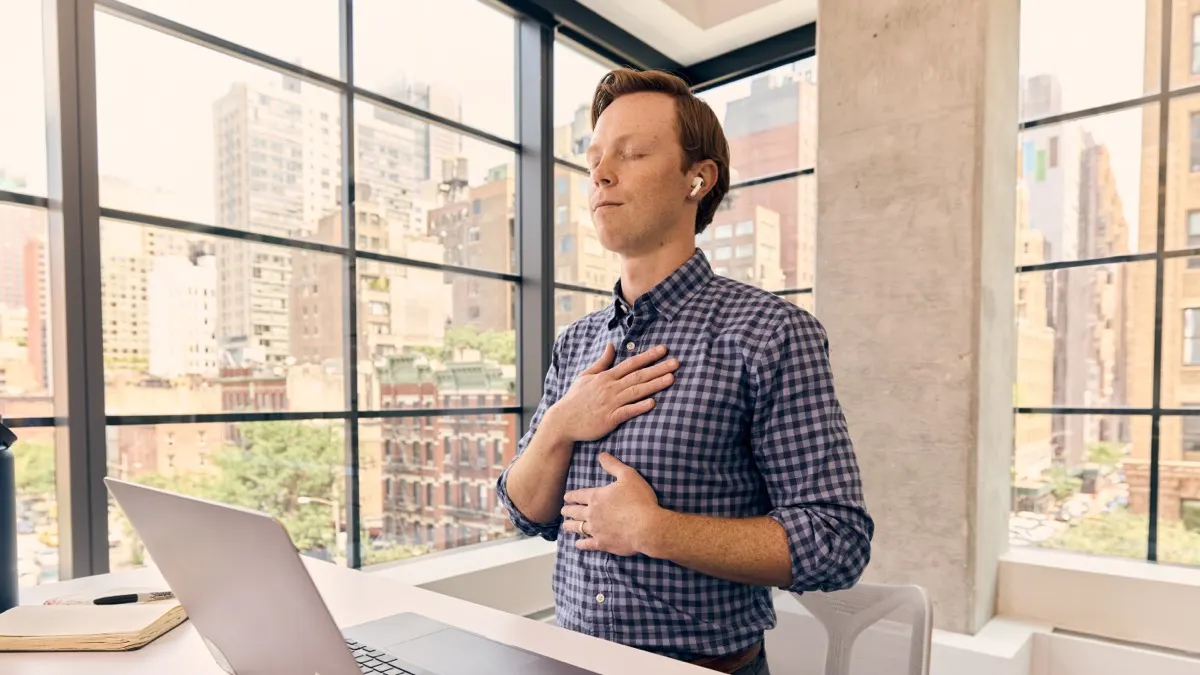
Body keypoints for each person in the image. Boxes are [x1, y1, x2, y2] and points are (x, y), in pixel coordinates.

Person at [496, 68, 873, 675]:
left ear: (698, 178)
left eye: (633, 152)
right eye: (594, 158)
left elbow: (836, 540)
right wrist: (561, 424)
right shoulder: (577, 343)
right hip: (568, 659)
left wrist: (653, 529)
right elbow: (523, 514)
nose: (601, 173)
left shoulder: (770, 334)